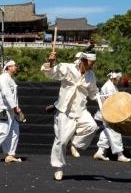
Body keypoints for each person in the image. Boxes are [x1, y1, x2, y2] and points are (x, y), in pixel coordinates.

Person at [41, 48, 99, 181]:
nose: (93, 66)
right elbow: (50, 73)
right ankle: (58, 168)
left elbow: (93, 93)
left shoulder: (91, 76)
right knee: (61, 141)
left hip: (80, 110)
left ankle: (75, 144)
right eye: (91, 63)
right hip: (65, 111)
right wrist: (50, 62)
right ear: (83, 60)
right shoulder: (67, 68)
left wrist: (105, 100)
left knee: (92, 126)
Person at [93, 70, 131, 163]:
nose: (120, 81)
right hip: (109, 113)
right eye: (119, 79)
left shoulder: (112, 85)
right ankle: (120, 154)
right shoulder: (109, 87)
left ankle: (100, 151)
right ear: (113, 78)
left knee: (107, 132)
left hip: (109, 112)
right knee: (115, 132)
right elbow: (113, 101)